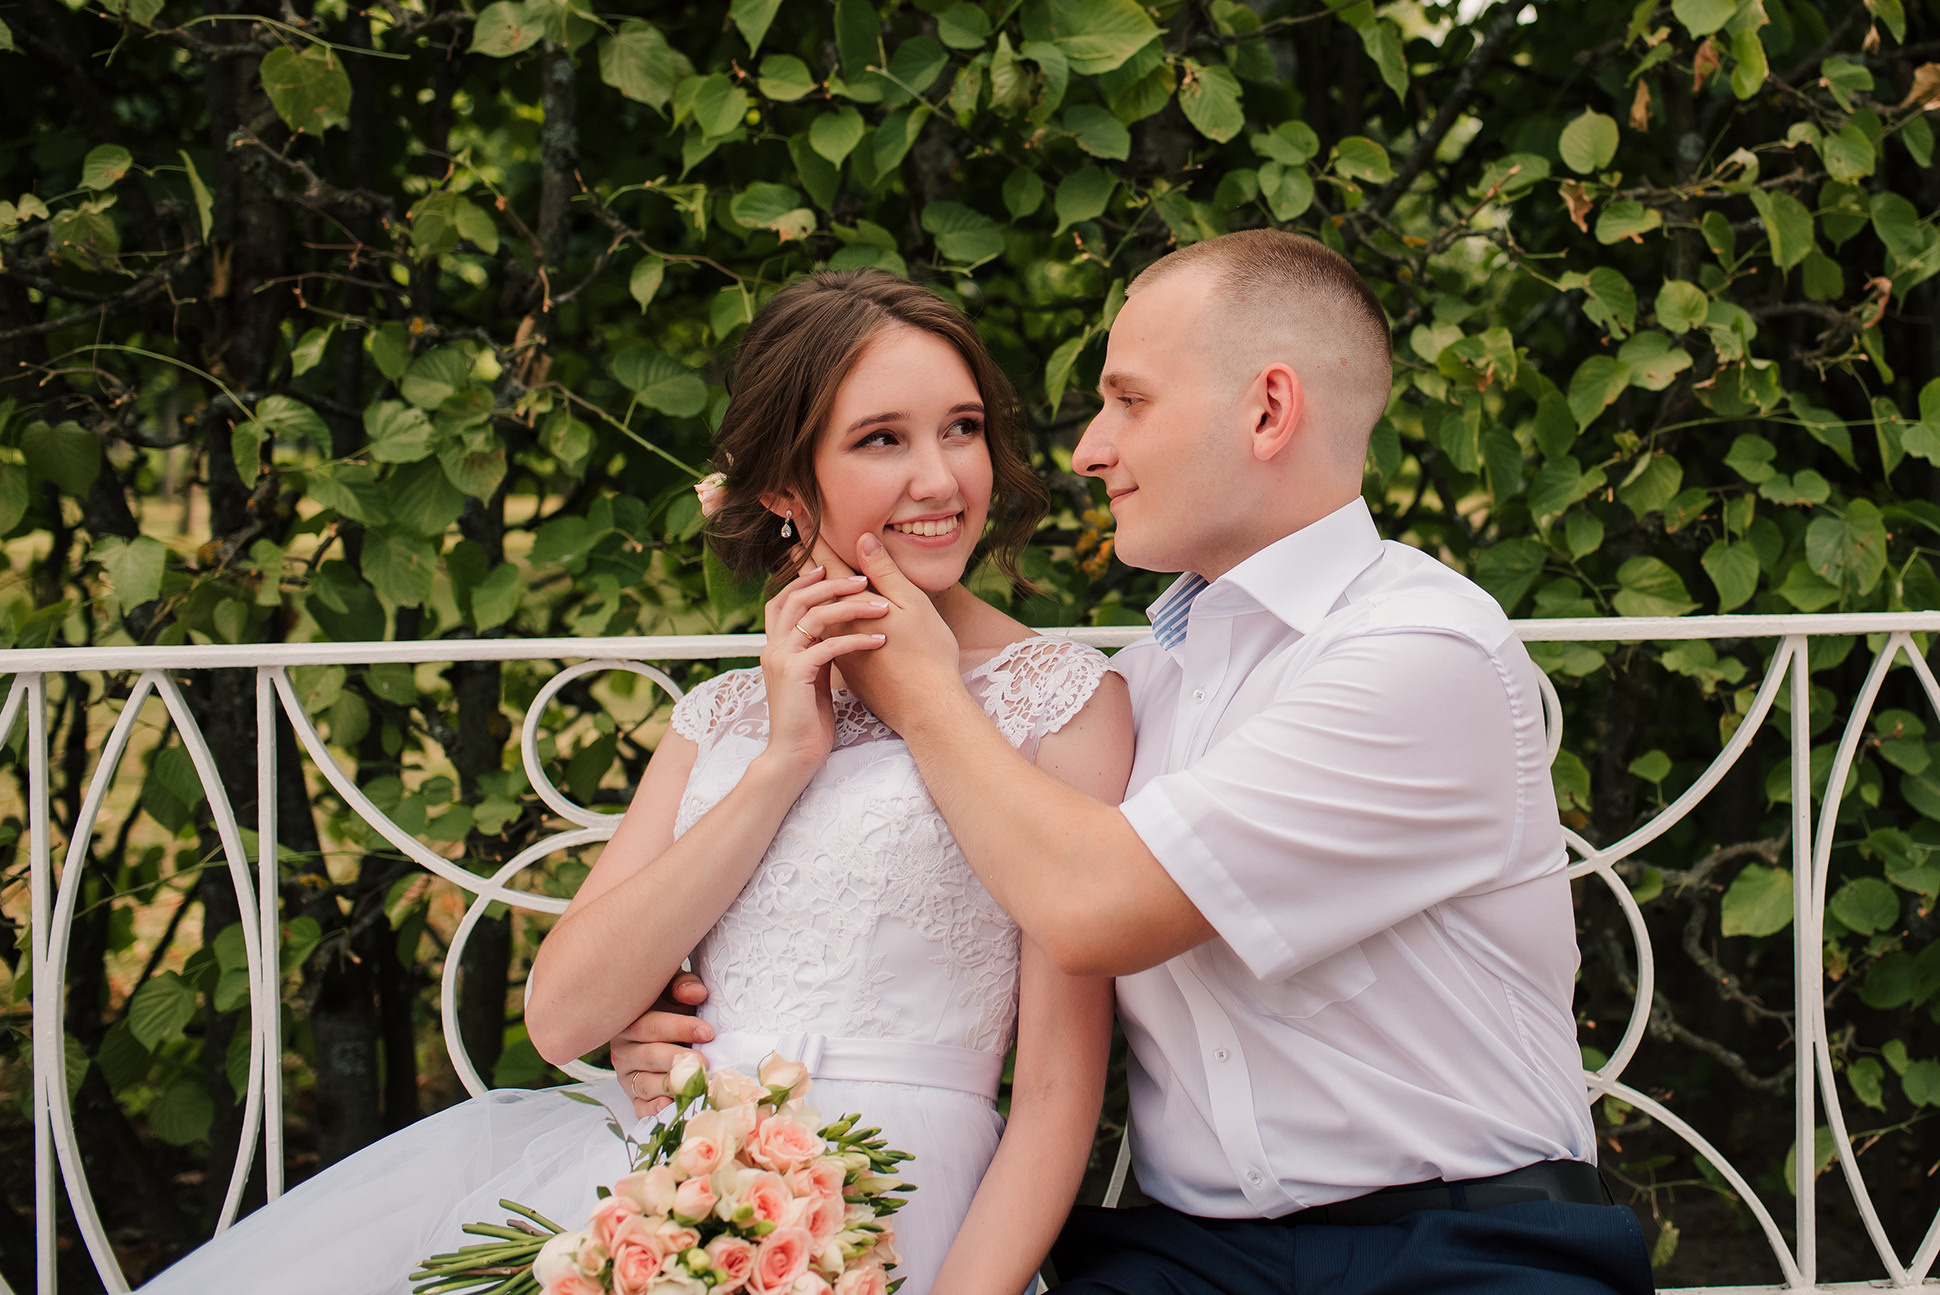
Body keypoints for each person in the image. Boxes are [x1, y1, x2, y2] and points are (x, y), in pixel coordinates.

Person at [618, 231, 1655, 1294]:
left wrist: (920, 690)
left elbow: (1093, 905)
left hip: (1460, 1243)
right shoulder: (1143, 684)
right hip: (1193, 1258)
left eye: (1128, 401)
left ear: (1268, 411)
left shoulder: (1417, 651)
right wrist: (683, 1032)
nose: (1086, 450)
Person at [135, 268, 1129, 1295]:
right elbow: (563, 1016)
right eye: (881, 439)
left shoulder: (1061, 700)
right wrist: (783, 761)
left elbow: (1059, 1091)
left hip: (911, 1206)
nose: (939, 478)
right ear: (785, 489)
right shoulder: (724, 719)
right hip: (663, 1186)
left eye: (962, 428)